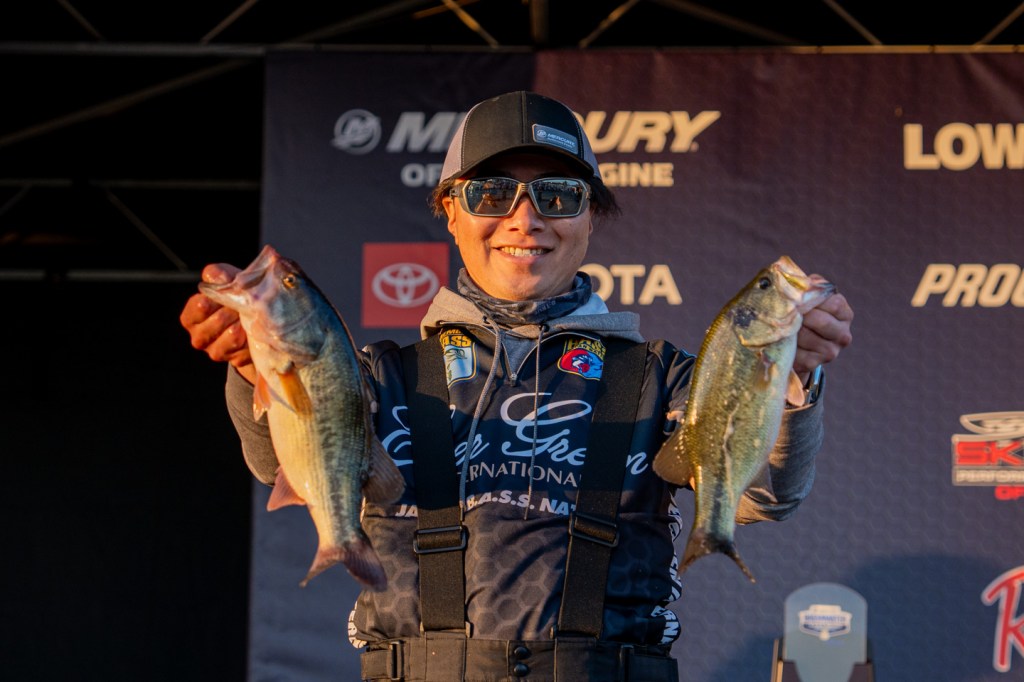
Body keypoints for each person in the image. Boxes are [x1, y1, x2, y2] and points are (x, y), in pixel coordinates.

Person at [180, 90, 854, 682]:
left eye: (558, 195)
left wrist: (791, 376)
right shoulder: (380, 375)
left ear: (591, 216)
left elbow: (766, 493)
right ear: (450, 210)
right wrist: (254, 365)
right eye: (491, 193)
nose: (525, 219)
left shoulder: (664, 377)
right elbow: (277, 460)